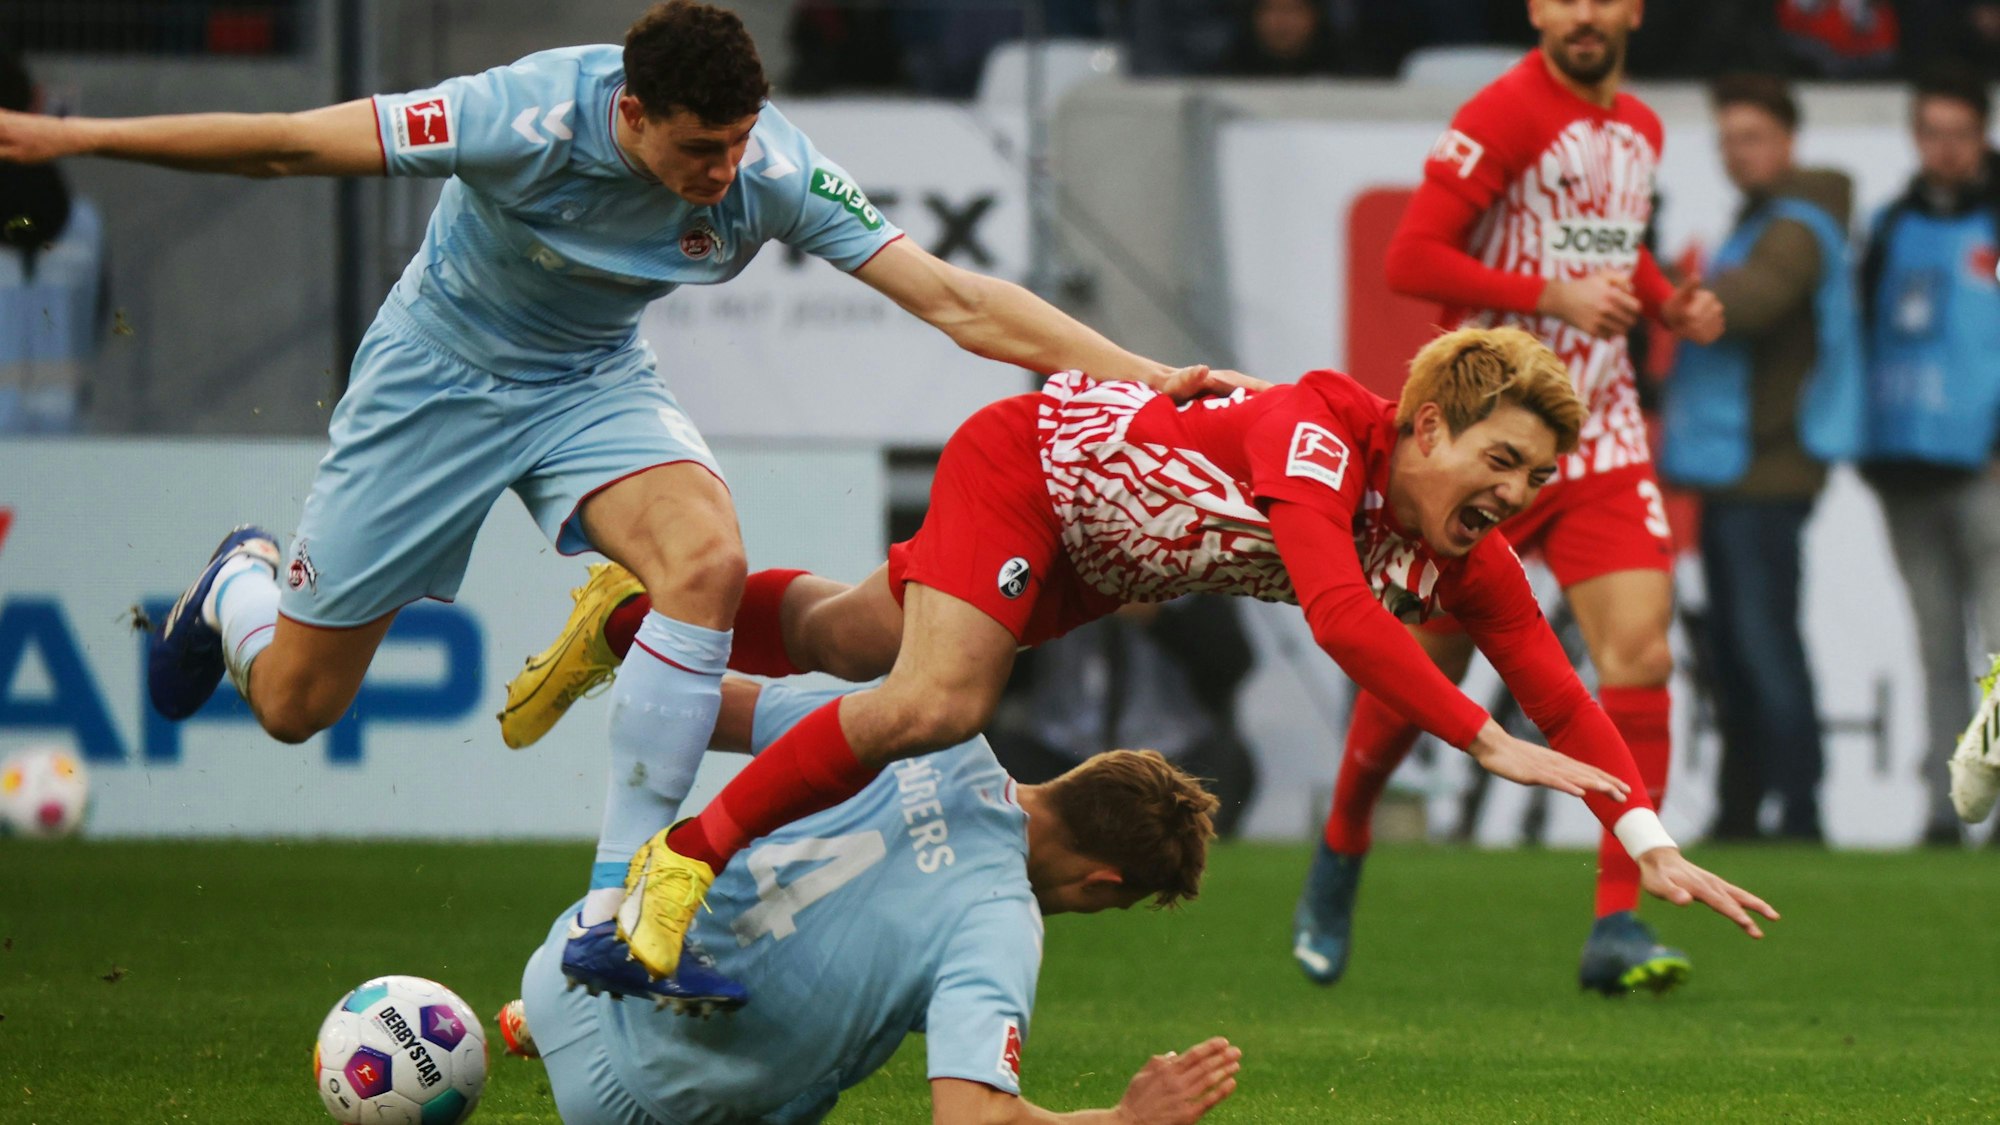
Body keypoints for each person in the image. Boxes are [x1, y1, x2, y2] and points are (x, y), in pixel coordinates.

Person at [0, 1, 1251, 1006]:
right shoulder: (521, 114)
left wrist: (1143, 376)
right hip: (437, 379)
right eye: (698, 149)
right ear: (632, 113)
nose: (724, 173)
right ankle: (243, 590)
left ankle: (619, 912)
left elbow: (956, 301)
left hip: (590, 383)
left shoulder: (768, 167)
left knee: (704, 561)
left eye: (739, 145)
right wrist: (73, 139)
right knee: (291, 707)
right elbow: (287, 143)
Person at [507, 327, 1778, 997]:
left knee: (845, 634)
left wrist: (1650, 841)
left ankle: (628, 631)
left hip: (1102, 564)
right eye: (1496, 463)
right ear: (1426, 424)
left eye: (1536, 481)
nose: (1512, 496)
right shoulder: (1322, 427)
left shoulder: (1470, 557)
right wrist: (1481, 739)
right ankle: (685, 863)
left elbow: (1567, 691)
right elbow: (1340, 621)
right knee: (937, 703)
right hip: (1033, 467)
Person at [1308, 0, 1729, 997]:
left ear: (1631, 9)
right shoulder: (1501, 114)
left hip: (1601, 432)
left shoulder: (1640, 127)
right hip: (1484, 437)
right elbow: (1408, 258)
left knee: (1640, 654)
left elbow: (1604, 243)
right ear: (1535, 9)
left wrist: (1667, 302)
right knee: (1421, 680)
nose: (1582, 13)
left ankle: (1616, 921)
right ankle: (1341, 841)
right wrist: (1550, 297)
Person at [502, 676, 1241, 1124]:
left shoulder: (932, 730)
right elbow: (969, 1117)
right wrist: (1122, 1116)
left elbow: (697, 707)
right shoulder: (997, 920)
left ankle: (531, 1021)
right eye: (1104, 906)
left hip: (568, 966)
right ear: (1103, 883)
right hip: (641, 1106)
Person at [1660, 75, 1861, 842]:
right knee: (1740, 647)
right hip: (1737, 468)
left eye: (1750, 137)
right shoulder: (1770, 219)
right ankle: (1745, 805)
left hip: (1766, 468)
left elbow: (1748, 304)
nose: (1735, 155)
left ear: (1787, 140)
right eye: (1726, 141)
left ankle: (1798, 807)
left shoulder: (1796, 225)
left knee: (1763, 642)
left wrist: (1660, 288)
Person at [1857, 66, 2000, 844]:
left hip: (1986, 465)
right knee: (1939, 649)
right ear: (1917, 138)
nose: (1945, 149)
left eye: (1960, 133)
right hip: (1906, 464)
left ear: (1983, 137)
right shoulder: (1887, 226)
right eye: (1932, 133)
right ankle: (1947, 809)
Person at [986, 597, 1260, 836]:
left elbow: (1233, 664)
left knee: (1222, 763)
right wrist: (1045, 614)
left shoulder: (1189, 576)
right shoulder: (1038, 576)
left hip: (1173, 750)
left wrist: (1157, 616)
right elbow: (992, 674)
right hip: (1056, 748)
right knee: (1001, 762)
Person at [0, 46, 104, 434]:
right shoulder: (85, 224)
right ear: (38, 102)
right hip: (66, 438)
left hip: (61, 446)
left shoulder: (83, 223)